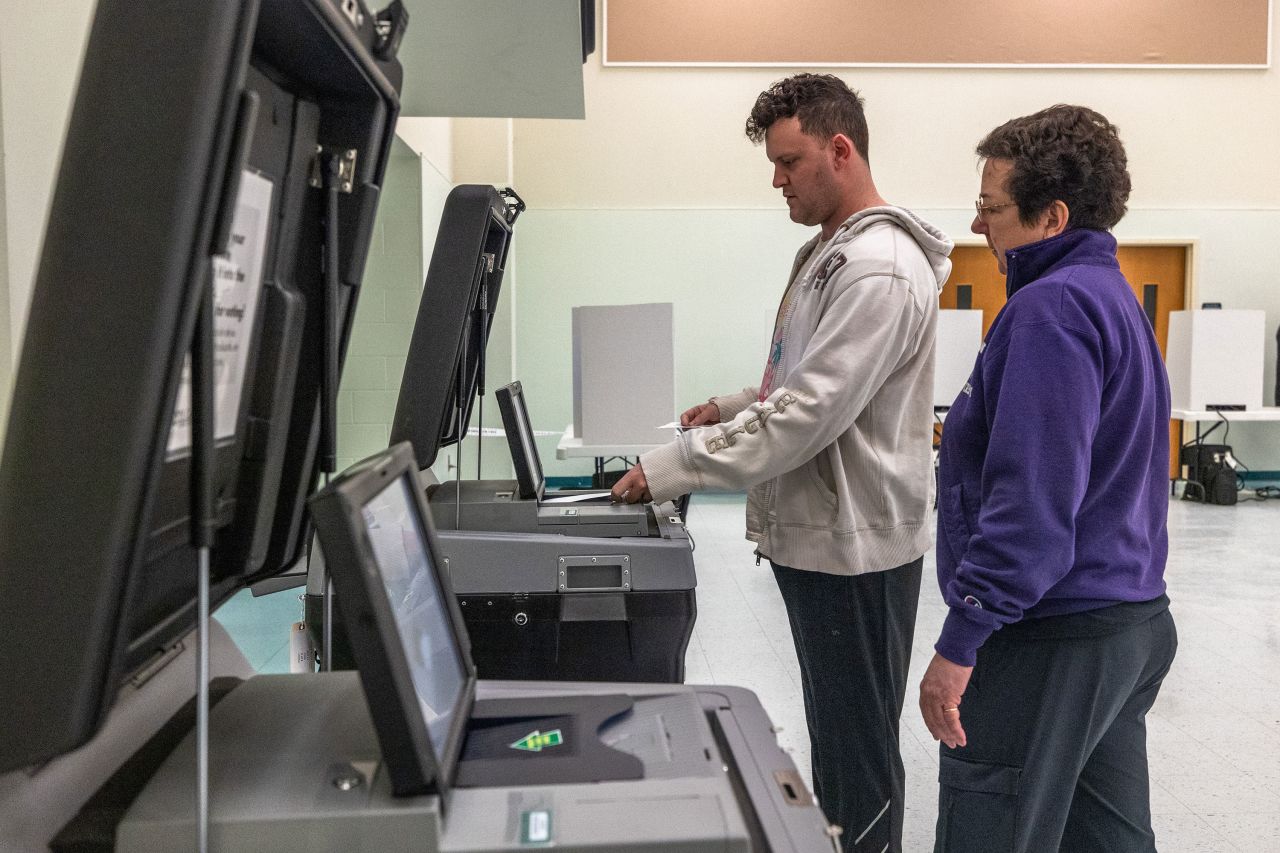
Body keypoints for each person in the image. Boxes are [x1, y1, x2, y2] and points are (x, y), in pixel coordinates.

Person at [610, 73, 953, 853]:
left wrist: (674, 464)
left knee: (857, 756)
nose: (777, 179)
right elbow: (806, 381)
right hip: (826, 541)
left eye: (789, 161)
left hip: (856, 552)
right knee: (837, 743)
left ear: (840, 149)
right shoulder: (829, 253)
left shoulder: (878, 268)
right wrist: (732, 406)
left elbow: (806, 416)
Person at [919, 105, 1177, 853]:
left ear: (1050, 216)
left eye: (992, 208)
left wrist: (962, 637)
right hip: (1126, 626)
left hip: (1050, 640)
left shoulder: (1050, 311)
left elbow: (1030, 505)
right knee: (1109, 841)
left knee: (989, 830)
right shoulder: (1110, 296)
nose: (978, 226)